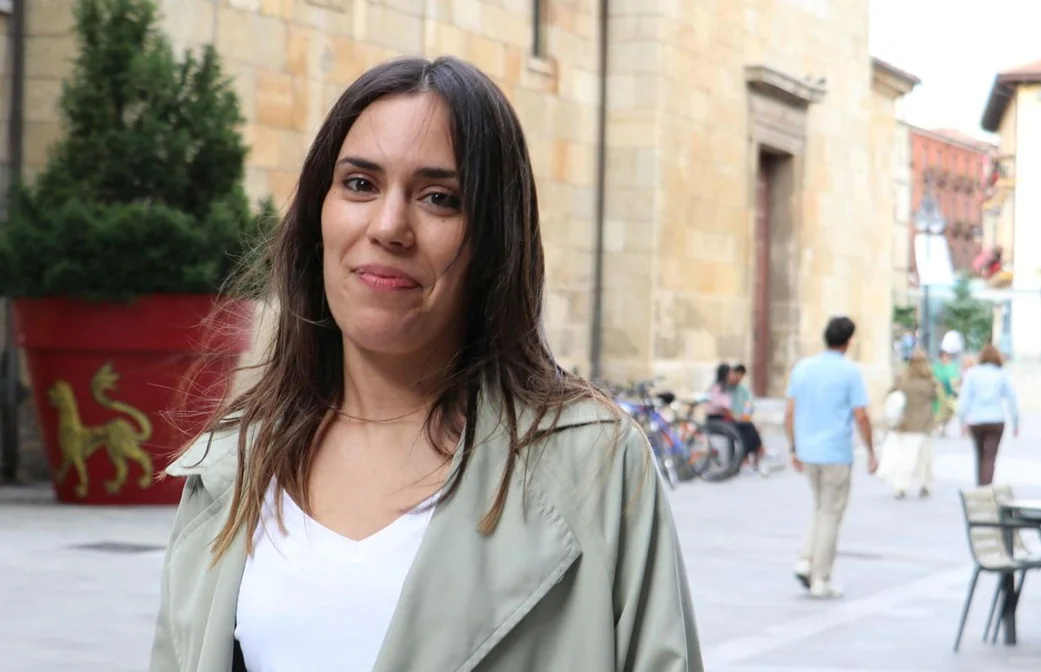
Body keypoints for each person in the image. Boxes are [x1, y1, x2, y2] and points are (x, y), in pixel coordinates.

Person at [149, 57, 702, 672]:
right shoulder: (233, 463)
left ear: (496, 240)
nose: (389, 227)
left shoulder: (593, 465)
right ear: (317, 216)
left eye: (440, 198)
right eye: (360, 184)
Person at [785, 316, 876, 599]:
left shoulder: (803, 368)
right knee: (831, 514)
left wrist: (793, 447)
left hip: (808, 451)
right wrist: (871, 450)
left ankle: (805, 559)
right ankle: (820, 577)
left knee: (820, 507)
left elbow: (789, 412)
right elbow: (861, 415)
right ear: (848, 342)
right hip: (836, 452)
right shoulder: (849, 372)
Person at [877, 350, 938, 499]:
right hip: (924, 424)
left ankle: (901, 486)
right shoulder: (929, 382)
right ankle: (924, 484)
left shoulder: (902, 381)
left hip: (905, 423)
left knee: (906, 457)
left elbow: (890, 395)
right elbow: (934, 397)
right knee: (924, 457)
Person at [957, 344, 1019, 486]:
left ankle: (980, 486)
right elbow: (1012, 399)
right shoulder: (1001, 374)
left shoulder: (971, 374)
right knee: (990, 457)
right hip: (996, 420)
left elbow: (964, 400)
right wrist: (1016, 422)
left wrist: (962, 422)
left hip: (976, 421)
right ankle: (986, 487)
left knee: (979, 455)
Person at [707, 363, 765, 474]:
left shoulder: (733, 389)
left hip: (726, 419)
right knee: (746, 426)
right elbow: (725, 411)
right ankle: (750, 456)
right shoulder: (718, 389)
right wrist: (737, 419)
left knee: (748, 426)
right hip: (718, 421)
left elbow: (747, 405)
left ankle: (755, 454)